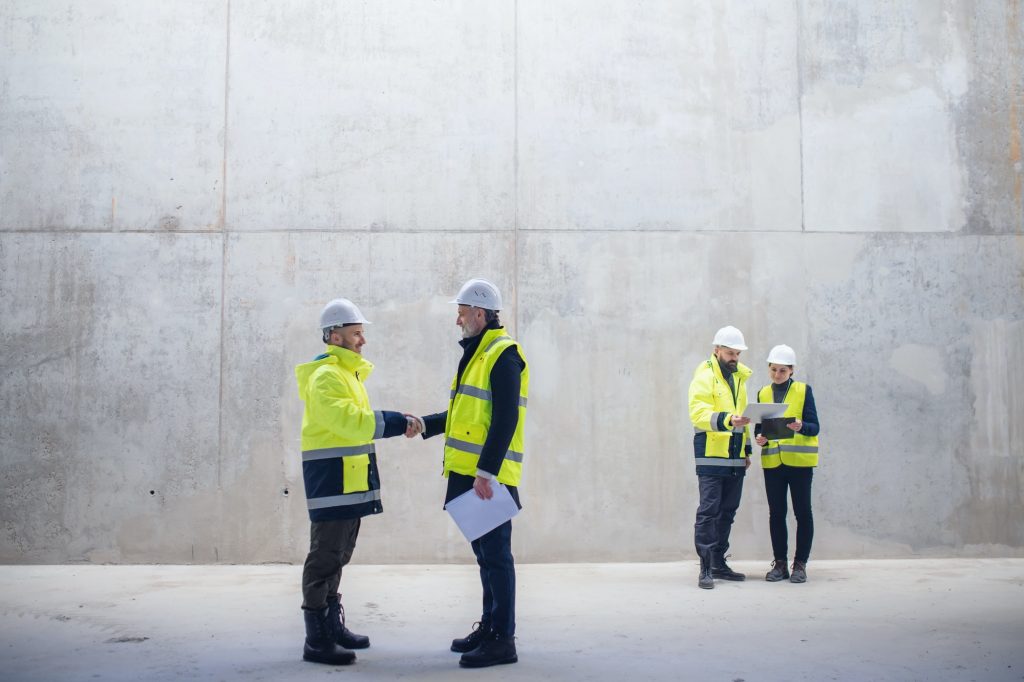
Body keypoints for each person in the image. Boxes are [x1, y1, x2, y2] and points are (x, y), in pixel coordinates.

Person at [294, 298, 422, 665]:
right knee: (324, 557)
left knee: (339, 554)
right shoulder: (326, 377)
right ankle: (316, 640)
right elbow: (352, 421)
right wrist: (398, 422)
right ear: (334, 335)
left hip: (346, 480)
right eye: (356, 334)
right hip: (331, 481)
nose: (362, 341)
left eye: (362, 334)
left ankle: (332, 626)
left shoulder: (347, 374)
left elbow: (354, 424)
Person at [411, 278, 528, 668]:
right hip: (469, 471)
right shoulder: (477, 353)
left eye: (461, 312)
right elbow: (465, 415)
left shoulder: (503, 354)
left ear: (480, 313)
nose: (457, 320)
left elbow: (506, 418)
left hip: (486, 475)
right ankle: (490, 626)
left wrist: (486, 472)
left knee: (497, 556)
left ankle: (503, 640)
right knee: (484, 555)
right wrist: (424, 424)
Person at [687, 325, 753, 589]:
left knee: (728, 511)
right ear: (717, 350)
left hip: (735, 455)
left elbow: (744, 417)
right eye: (729, 352)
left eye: (737, 353)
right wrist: (728, 419)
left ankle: (718, 562)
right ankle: (704, 567)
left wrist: (746, 449)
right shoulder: (705, 376)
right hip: (712, 453)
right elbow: (698, 413)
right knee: (709, 511)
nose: (734, 357)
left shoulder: (738, 378)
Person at [754, 344, 820, 584]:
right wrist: (759, 439)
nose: (777, 375)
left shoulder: (803, 391)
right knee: (776, 514)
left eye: (782, 370)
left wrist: (802, 426)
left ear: (792, 370)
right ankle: (780, 564)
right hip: (773, 463)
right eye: (773, 370)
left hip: (800, 463)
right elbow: (760, 429)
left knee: (803, 513)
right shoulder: (762, 393)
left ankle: (800, 564)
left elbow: (815, 426)